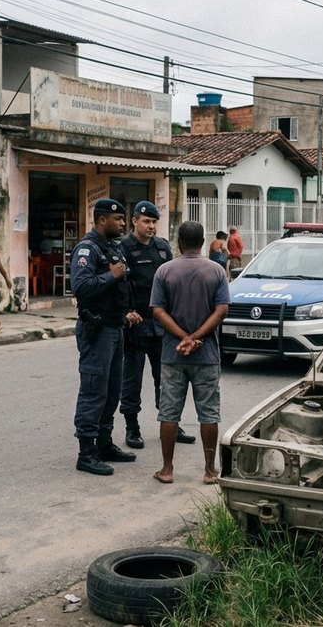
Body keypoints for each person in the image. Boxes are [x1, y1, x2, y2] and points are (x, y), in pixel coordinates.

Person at [150, 220, 230, 485]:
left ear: (179, 243)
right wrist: (196, 338)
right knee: (209, 413)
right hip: (206, 355)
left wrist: (184, 337)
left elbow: (158, 311)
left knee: (169, 413)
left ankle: (167, 469)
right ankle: (209, 471)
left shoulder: (164, 271)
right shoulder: (216, 271)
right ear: (203, 242)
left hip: (173, 354)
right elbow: (221, 311)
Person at [70, 198, 142, 476]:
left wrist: (126, 312)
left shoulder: (113, 248)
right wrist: (110, 277)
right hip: (97, 330)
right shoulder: (87, 249)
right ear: (102, 220)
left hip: (115, 328)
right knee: (94, 391)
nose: (123, 223)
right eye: (118, 219)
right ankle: (86, 453)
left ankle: (104, 443)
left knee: (112, 391)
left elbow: (122, 287)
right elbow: (80, 286)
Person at [118, 201, 195, 450]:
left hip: (161, 325)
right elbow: (120, 285)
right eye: (146, 222)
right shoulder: (123, 248)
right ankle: (132, 428)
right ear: (135, 222)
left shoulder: (162, 247)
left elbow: (172, 281)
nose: (151, 226)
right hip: (136, 324)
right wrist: (126, 311)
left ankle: (170, 424)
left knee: (166, 379)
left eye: (154, 222)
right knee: (132, 379)